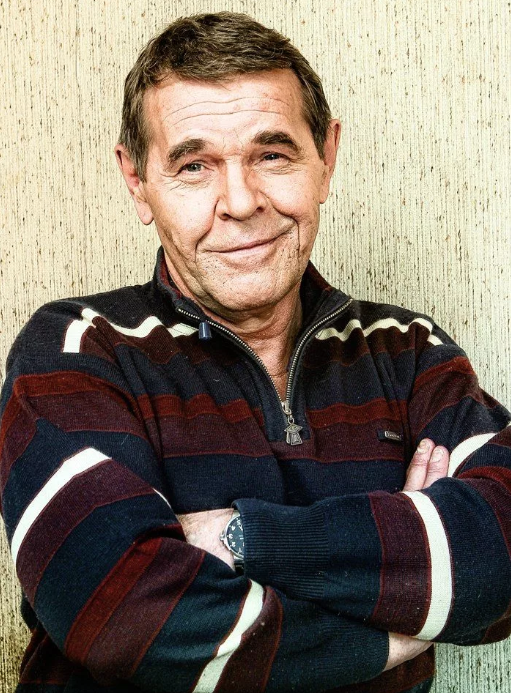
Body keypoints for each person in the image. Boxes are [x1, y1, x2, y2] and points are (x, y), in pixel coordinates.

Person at [0, 11, 509, 693]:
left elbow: (502, 561)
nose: (240, 202)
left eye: (272, 155)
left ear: (325, 158)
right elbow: (120, 612)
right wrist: (399, 609)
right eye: (193, 166)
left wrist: (246, 539)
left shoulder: (410, 351)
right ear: (137, 181)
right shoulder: (77, 347)